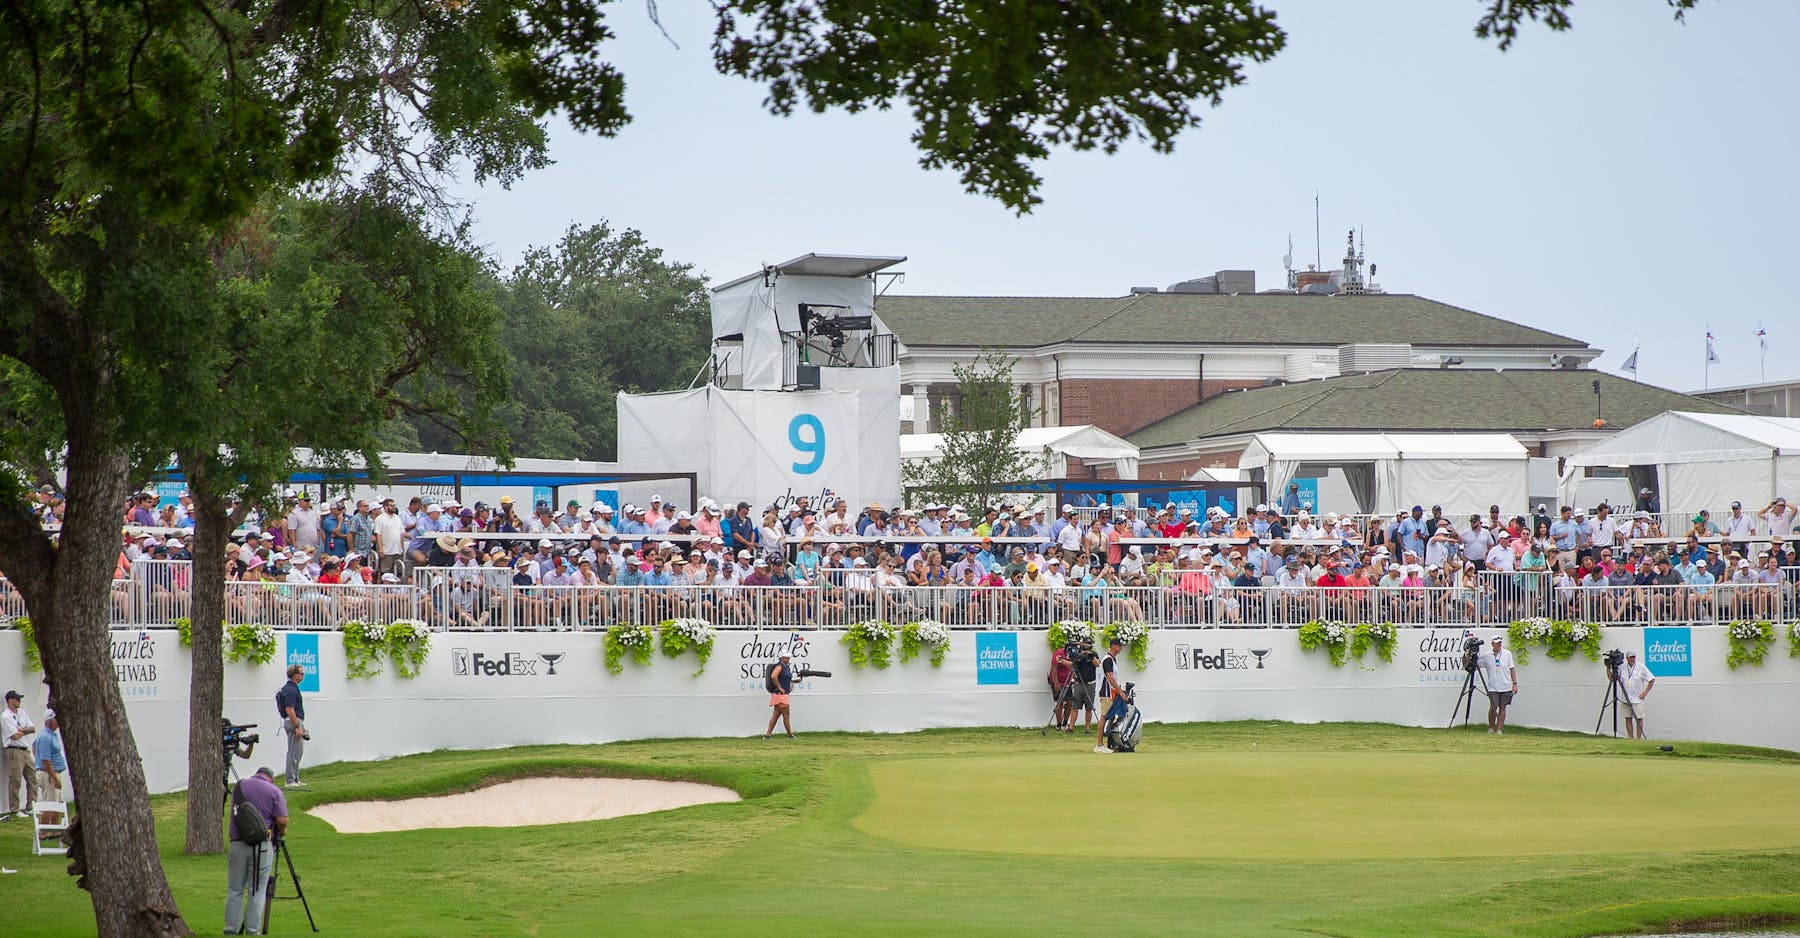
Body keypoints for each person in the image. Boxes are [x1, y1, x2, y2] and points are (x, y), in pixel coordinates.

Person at [225, 767, 289, 936]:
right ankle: (253, 931)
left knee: (234, 890)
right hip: (261, 846)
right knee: (257, 891)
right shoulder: (274, 791)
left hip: (237, 843)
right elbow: (282, 820)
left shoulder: (240, 787)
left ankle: (230, 930)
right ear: (271, 778)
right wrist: (281, 831)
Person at [2, 689, 36, 818]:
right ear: (10, 700)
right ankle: (15, 809)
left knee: (32, 777)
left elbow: (32, 728)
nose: (19, 701)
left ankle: (31, 806)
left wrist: (22, 729)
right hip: (13, 750)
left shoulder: (22, 713)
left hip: (25, 749)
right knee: (15, 780)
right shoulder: (6, 716)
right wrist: (22, 731)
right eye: (17, 699)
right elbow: (14, 736)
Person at [276, 665, 309, 788]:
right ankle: (290, 780)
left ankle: (295, 778)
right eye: (301, 673)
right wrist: (297, 727)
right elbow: (289, 709)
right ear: (295, 674)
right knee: (294, 752)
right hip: (293, 721)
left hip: (294, 721)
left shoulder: (292, 688)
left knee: (298, 751)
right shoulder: (291, 690)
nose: (302, 675)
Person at [1094, 638, 1129, 754]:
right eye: (1118, 646)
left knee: (1111, 717)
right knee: (1104, 717)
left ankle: (1109, 742)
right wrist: (1120, 692)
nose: (1120, 648)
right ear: (1113, 646)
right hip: (1106, 693)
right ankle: (1099, 744)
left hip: (1111, 692)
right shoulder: (1108, 660)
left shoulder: (1112, 660)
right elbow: (1110, 678)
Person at [1480, 636, 1518, 735]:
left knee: (1503, 707)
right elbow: (1477, 664)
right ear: (1492, 644)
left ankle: (1499, 729)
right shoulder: (1486, 655)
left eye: (1500, 643)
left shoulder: (1507, 654)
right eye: (1497, 643)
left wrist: (1514, 683)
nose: (1499, 644)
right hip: (1493, 686)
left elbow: (1512, 669)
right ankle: (1491, 727)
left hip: (1506, 685)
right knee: (1493, 706)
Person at [33, 708, 67, 816]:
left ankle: (54, 832)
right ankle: (43, 832)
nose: (58, 721)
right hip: (48, 774)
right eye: (56, 719)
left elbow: (34, 746)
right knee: (50, 805)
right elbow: (45, 760)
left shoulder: (51, 734)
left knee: (57, 805)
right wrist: (54, 777)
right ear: (49, 721)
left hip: (53, 773)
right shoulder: (45, 737)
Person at [1618, 651, 1655, 740]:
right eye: (1630, 657)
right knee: (1628, 718)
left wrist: (1645, 692)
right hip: (1625, 698)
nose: (1632, 659)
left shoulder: (1641, 667)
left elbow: (1652, 679)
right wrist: (1608, 668)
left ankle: (1638, 738)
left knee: (1639, 719)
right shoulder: (1622, 667)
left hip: (1637, 698)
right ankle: (1631, 738)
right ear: (1627, 658)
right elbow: (1612, 678)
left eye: (1634, 657)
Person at [764, 652, 796, 739]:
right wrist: (780, 687)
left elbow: (785, 678)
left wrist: (794, 681)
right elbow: (774, 676)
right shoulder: (780, 666)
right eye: (787, 657)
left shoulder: (785, 666)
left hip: (781, 695)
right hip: (780, 695)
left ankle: (767, 735)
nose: (789, 658)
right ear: (782, 657)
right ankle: (790, 735)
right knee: (786, 715)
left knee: (776, 716)